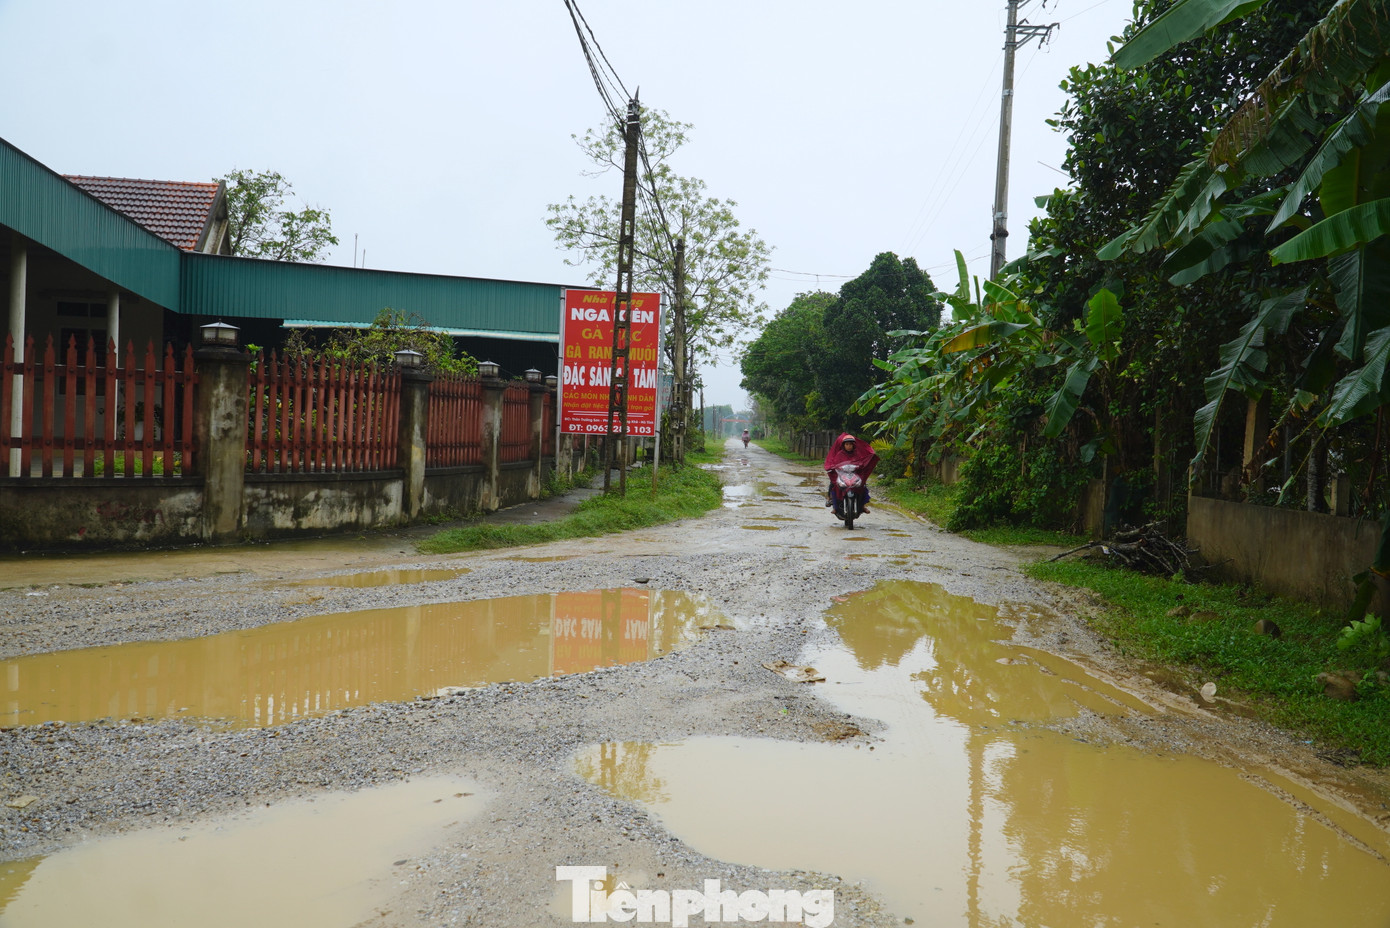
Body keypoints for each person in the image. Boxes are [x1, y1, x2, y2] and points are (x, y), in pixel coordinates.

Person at [824, 433, 879, 513]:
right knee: (834, 485)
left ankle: (863, 506)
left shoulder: (857, 454)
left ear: (853, 445)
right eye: (847, 444)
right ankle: (835, 507)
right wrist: (832, 467)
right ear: (844, 445)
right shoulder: (839, 454)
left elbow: (861, 462)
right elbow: (835, 463)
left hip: (854, 474)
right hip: (842, 475)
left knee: (862, 486)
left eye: (850, 444)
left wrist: (863, 465)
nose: (849, 446)